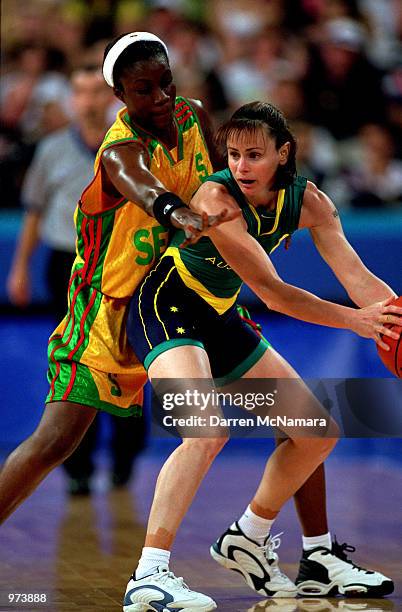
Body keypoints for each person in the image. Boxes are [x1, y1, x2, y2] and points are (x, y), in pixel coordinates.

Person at [124, 101, 399, 608]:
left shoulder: (310, 202)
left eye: (254, 154)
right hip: (167, 303)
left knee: (317, 431)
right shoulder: (215, 196)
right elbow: (272, 293)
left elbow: (359, 280)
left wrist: (393, 317)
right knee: (205, 431)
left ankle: (247, 535)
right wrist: (354, 322)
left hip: (218, 314)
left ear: (283, 154)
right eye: (232, 154)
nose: (241, 166)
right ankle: (148, 575)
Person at [6, 62, 148, 495]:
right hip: (66, 263)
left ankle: (125, 462)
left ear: (111, 98)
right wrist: (19, 268)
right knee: (78, 366)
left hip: (121, 267)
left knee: (132, 364)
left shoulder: (131, 146)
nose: (89, 101)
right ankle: (78, 470)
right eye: (81, 92)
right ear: (71, 99)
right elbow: (34, 211)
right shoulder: (51, 148)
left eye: (96, 92)